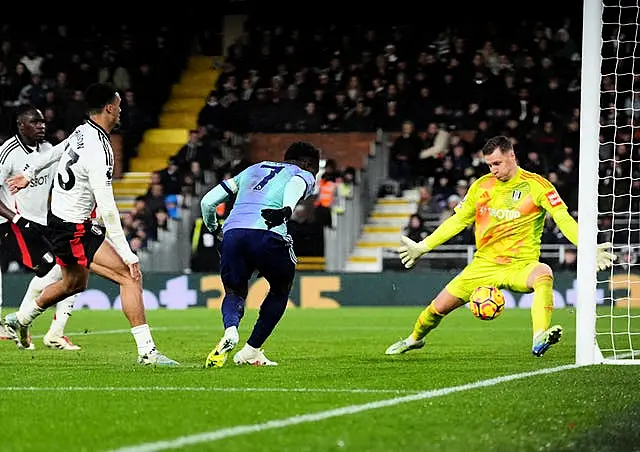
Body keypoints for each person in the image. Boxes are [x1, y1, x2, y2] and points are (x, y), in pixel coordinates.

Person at [385, 136, 617, 358]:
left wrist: (587, 247)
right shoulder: (481, 186)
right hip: (483, 265)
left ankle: (539, 336)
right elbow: (458, 221)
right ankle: (414, 339)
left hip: (520, 265)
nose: (493, 169)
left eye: (497, 163)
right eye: (489, 165)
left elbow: (563, 218)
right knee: (437, 308)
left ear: (512, 156)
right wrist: (423, 246)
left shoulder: (537, 185)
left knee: (544, 273)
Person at [5, 83, 178, 366]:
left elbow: (54, 153)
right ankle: (148, 352)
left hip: (58, 221)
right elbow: (108, 209)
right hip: (74, 228)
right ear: (110, 108)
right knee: (130, 276)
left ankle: (20, 319)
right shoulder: (101, 149)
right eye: (119, 105)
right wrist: (127, 252)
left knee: (74, 283)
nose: (121, 110)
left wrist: (28, 172)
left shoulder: (82, 130)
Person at [200, 141, 319, 367]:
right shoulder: (302, 173)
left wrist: (216, 229)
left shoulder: (254, 169)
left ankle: (231, 330)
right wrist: (286, 209)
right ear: (308, 163)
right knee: (280, 288)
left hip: (233, 233)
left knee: (234, 291)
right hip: (268, 233)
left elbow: (207, 202)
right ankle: (251, 350)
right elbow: (295, 183)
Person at [0, 104, 79, 350]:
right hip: (15, 224)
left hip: (44, 223)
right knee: (52, 268)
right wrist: (16, 219)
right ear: (20, 125)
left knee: (72, 269)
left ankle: (47, 329)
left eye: (43, 121)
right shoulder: (8, 152)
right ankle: (23, 321)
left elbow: (59, 184)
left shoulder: (48, 150)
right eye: (35, 122)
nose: (41, 126)